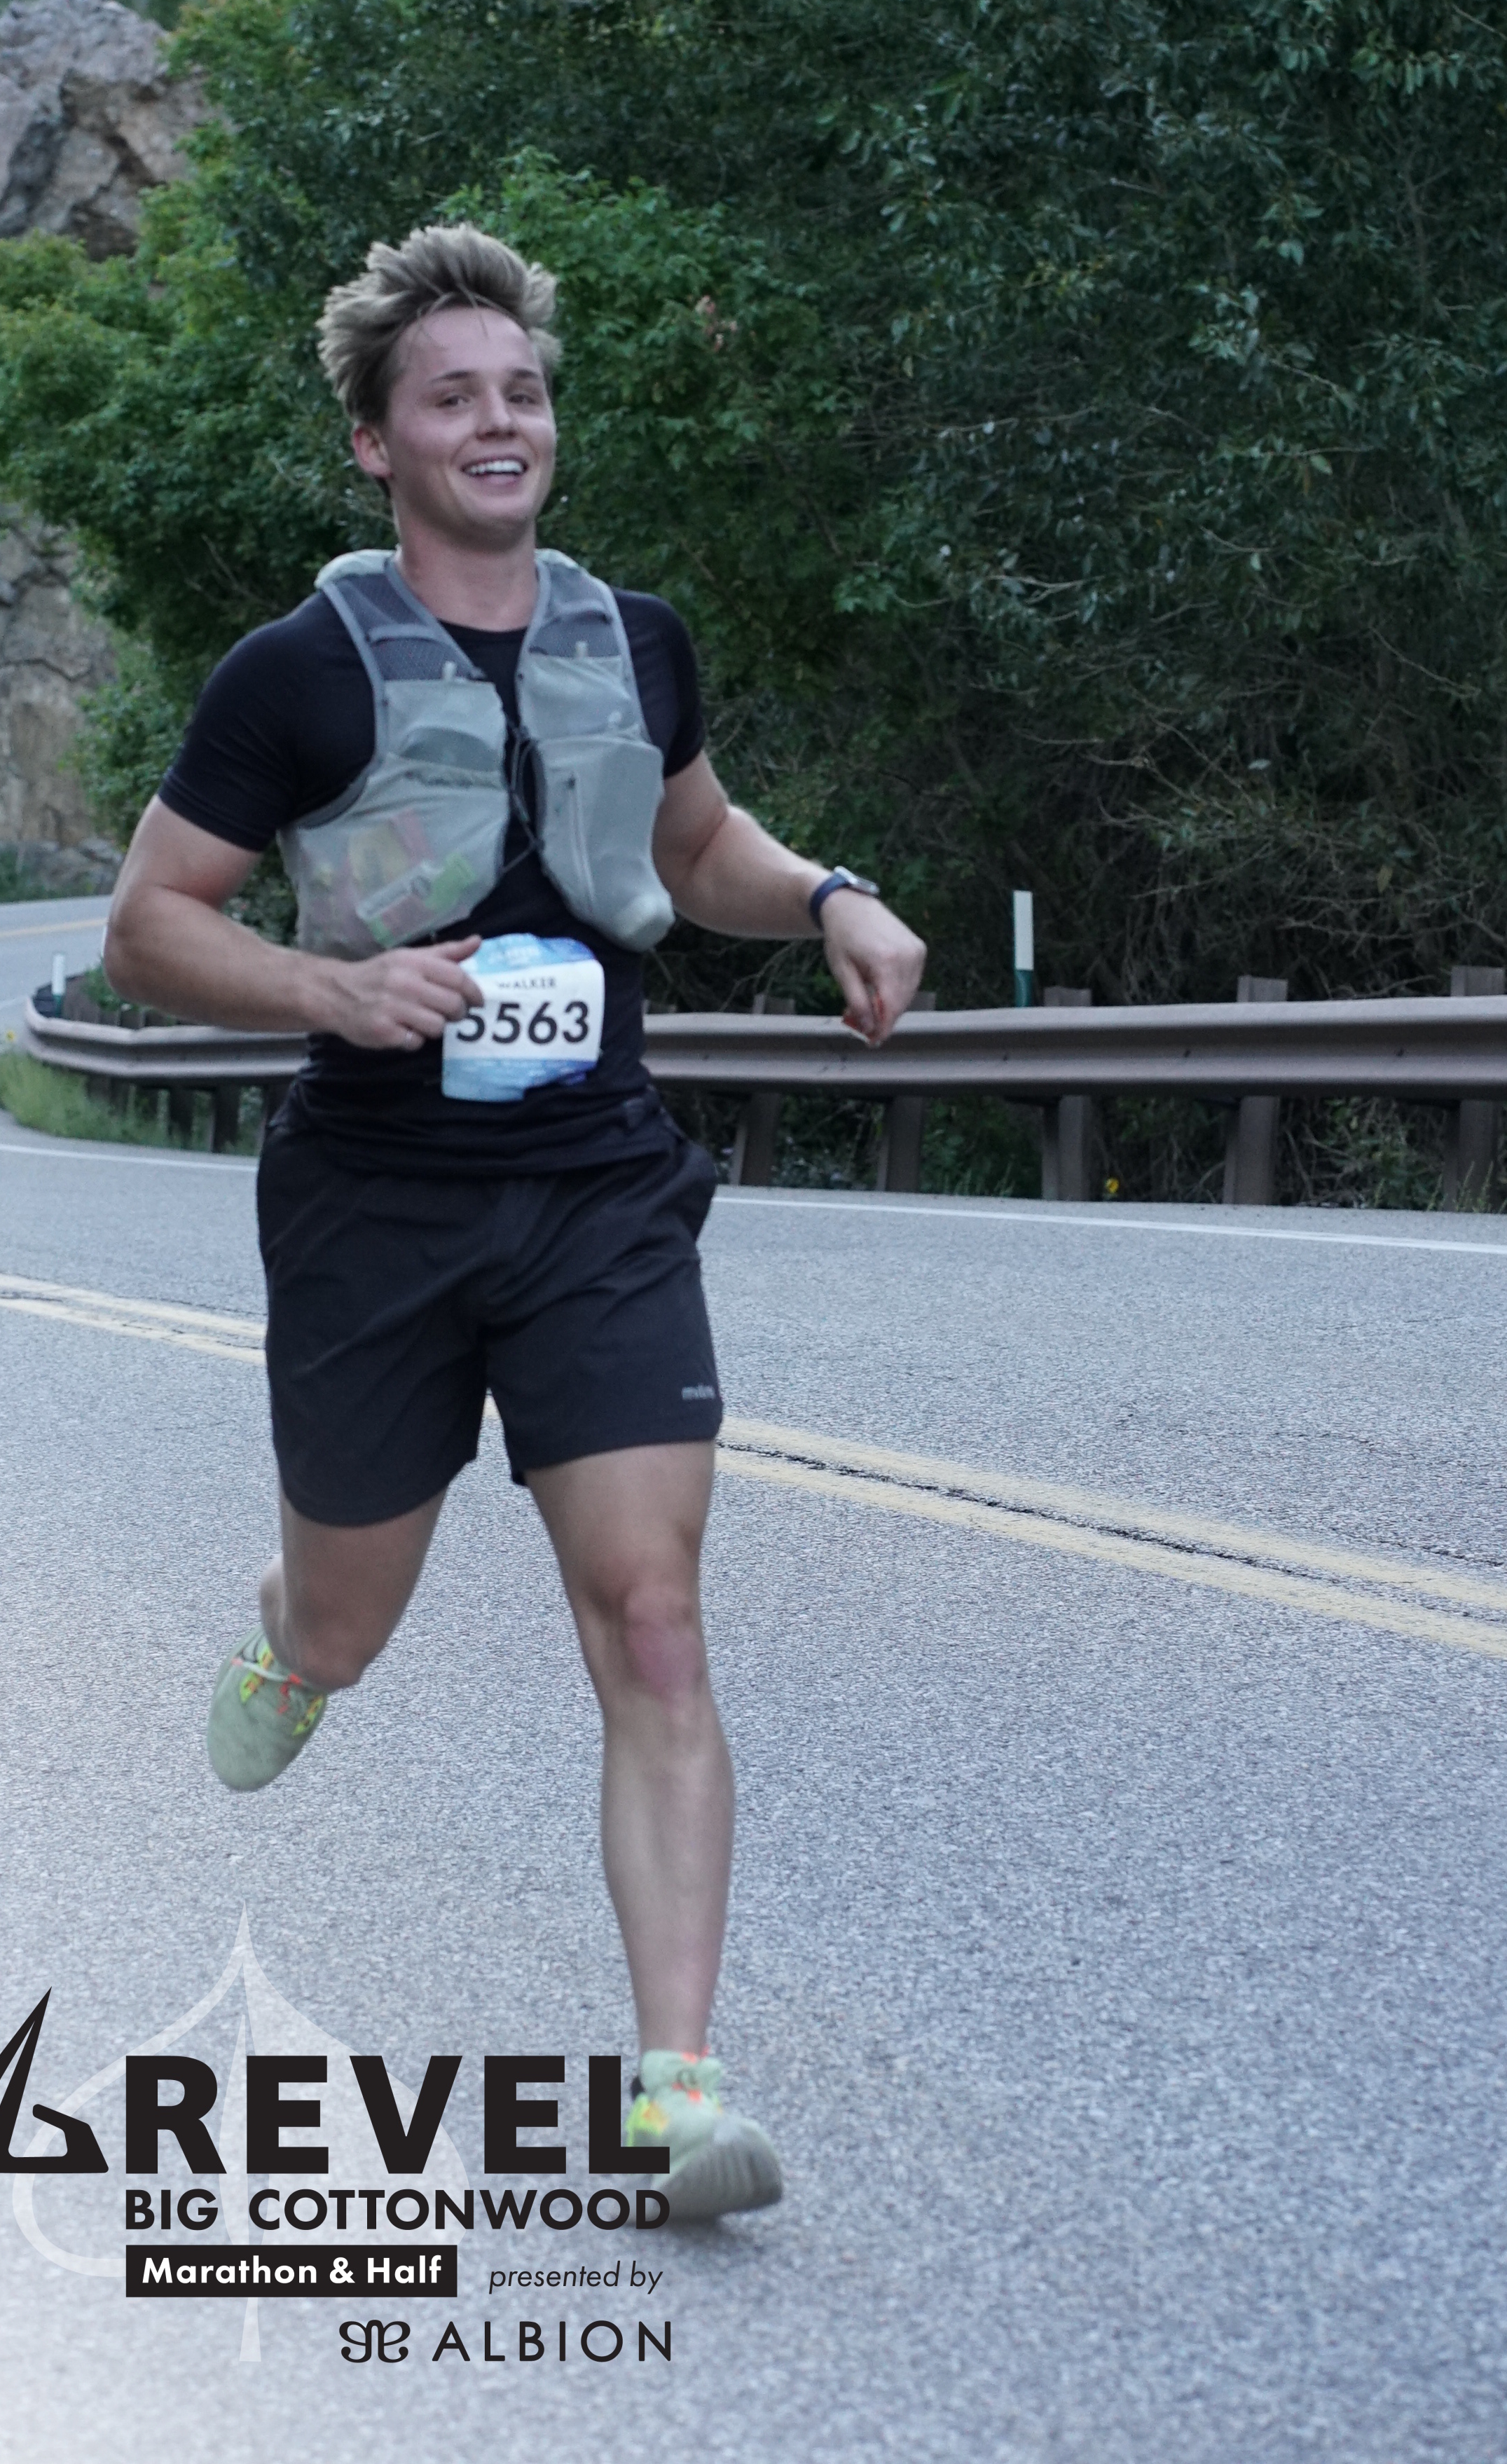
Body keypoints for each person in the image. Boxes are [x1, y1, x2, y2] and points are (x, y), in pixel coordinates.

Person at [103, 222, 925, 2222]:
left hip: (595, 1193)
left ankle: (677, 2089)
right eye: (452, 396)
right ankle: (293, 1646)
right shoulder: (297, 674)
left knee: (650, 1614)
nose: (499, 422)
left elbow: (693, 846)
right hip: (376, 1208)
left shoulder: (634, 637)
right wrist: (332, 987)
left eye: (523, 391)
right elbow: (148, 928)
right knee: (354, 1617)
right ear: (374, 442)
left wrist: (825, 896)